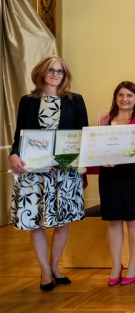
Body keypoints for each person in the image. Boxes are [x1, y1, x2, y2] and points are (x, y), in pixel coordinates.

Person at [8, 56, 88, 292]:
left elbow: (82, 137)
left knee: (63, 222)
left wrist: (64, 162)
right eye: (51, 70)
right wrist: (13, 154)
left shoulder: (75, 100)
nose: (55, 74)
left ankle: (55, 267)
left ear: (65, 75)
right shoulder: (28, 101)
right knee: (36, 222)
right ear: (41, 73)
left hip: (64, 172)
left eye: (60, 71)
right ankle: (44, 270)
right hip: (34, 172)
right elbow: (19, 135)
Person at [99, 81, 135, 286]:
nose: (125, 99)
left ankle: (133, 264)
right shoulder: (105, 120)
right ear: (115, 98)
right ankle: (115, 266)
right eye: (120, 95)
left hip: (133, 174)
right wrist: (101, 158)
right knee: (113, 220)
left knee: (133, 220)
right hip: (109, 174)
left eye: (129, 95)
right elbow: (98, 147)